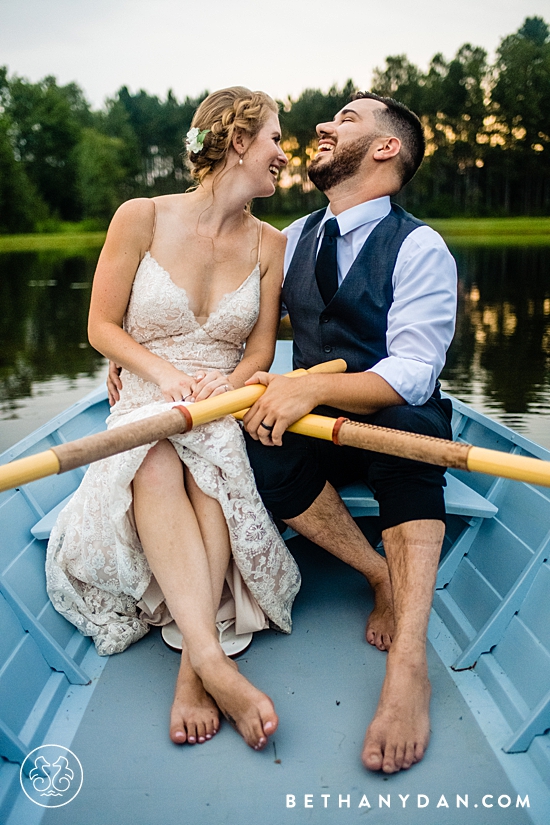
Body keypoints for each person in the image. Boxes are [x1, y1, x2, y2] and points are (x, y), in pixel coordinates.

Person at [46, 86, 301, 753]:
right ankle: (214, 659)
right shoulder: (141, 216)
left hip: (219, 397)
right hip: (149, 391)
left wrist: (233, 385)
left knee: (216, 462)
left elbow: (260, 349)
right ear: (239, 140)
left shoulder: (272, 243)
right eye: (275, 137)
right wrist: (160, 375)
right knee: (155, 459)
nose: (283, 153)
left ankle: (195, 667)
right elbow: (102, 325)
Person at [242, 92, 457, 774]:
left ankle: (410, 666)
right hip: (316, 428)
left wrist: (313, 383)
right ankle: (377, 573)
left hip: (388, 419)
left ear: (387, 148)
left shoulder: (420, 246)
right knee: (256, 441)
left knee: (414, 430)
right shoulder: (294, 237)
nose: (325, 127)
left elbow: (414, 373)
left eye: (347, 119)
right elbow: (246, 335)